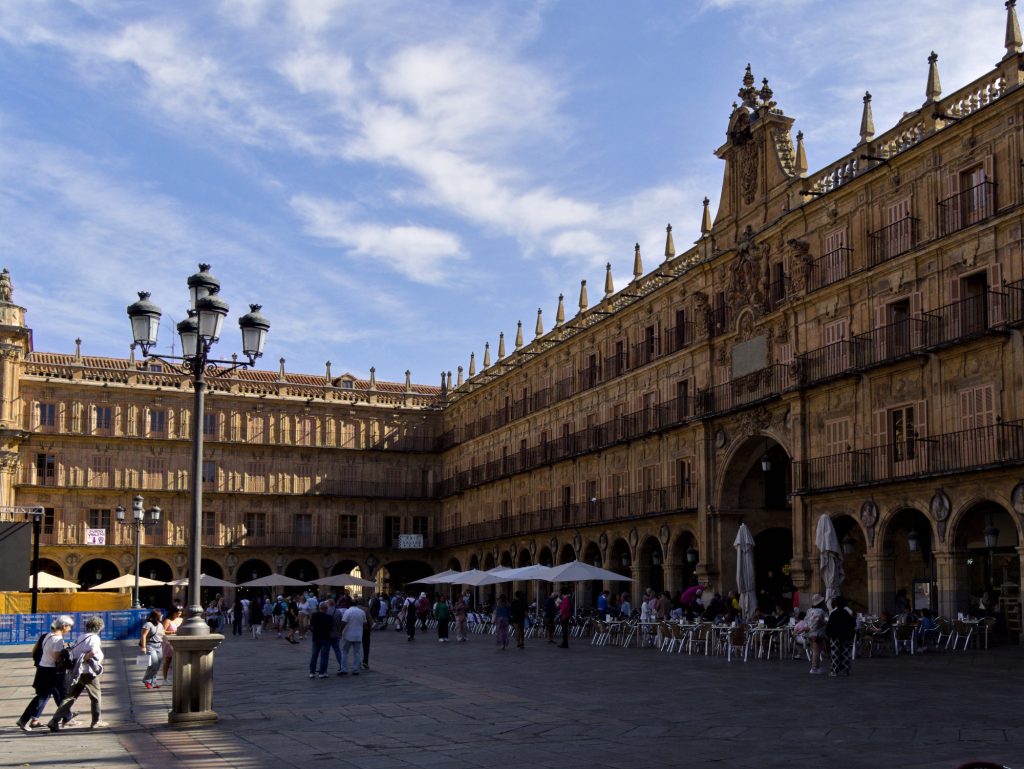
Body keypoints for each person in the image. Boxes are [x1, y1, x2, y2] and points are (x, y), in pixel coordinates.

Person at [47, 615, 107, 730]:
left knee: (70, 697)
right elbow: (93, 652)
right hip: (88, 672)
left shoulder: (81, 637)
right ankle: (96, 721)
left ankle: (54, 720)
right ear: (99, 627)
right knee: (96, 697)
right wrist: (84, 659)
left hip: (76, 672)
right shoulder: (94, 638)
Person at [18, 615, 76, 731]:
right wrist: (66, 655)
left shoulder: (48, 636)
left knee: (43, 696)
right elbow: (56, 658)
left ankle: (24, 720)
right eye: (70, 627)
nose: (70, 629)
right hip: (53, 671)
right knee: (63, 695)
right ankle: (63, 718)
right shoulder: (58, 639)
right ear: (64, 626)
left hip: (43, 668)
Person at [825, 596, 856, 676]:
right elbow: (853, 624)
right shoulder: (847, 613)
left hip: (835, 636)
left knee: (835, 653)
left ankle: (834, 670)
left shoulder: (834, 613)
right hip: (845, 636)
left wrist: (828, 634)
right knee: (845, 653)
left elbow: (829, 625)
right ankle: (845, 670)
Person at [339, 600, 366, 674]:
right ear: (357, 604)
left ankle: (344, 669)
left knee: (344, 651)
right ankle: (356, 669)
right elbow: (364, 623)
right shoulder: (361, 612)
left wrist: (340, 631)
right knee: (357, 652)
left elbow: (343, 622)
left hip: (348, 634)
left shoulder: (348, 611)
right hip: (358, 634)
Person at [308, 601, 333, 679]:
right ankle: (322, 672)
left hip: (316, 637)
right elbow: (331, 628)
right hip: (325, 638)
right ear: (326, 609)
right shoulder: (329, 617)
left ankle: (312, 672)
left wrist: (314, 631)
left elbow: (310, 625)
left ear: (319, 608)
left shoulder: (314, 615)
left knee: (314, 655)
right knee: (324, 656)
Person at [140, 609, 164, 689]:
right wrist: (143, 647)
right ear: (156, 616)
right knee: (153, 663)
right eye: (161, 615)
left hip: (159, 646)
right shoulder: (148, 624)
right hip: (150, 645)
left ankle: (153, 682)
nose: (162, 616)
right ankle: (147, 680)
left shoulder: (160, 625)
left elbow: (162, 634)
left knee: (157, 665)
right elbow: (143, 636)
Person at [159, 606, 183, 685]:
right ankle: (165, 679)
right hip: (168, 642)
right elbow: (163, 631)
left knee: (179, 660)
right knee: (168, 660)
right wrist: (173, 632)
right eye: (177, 613)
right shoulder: (168, 620)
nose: (178, 615)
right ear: (173, 612)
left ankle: (179, 678)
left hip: (179, 641)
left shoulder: (181, 619)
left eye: (180, 613)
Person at [805, 594, 828, 674]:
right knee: (816, 651)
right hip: (817, 634)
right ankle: (814, 668)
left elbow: (806, 621)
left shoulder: (809, 610)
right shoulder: (821, 611)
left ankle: (816, 666)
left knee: (814, 650)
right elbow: (822, 621)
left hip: (809, 633)